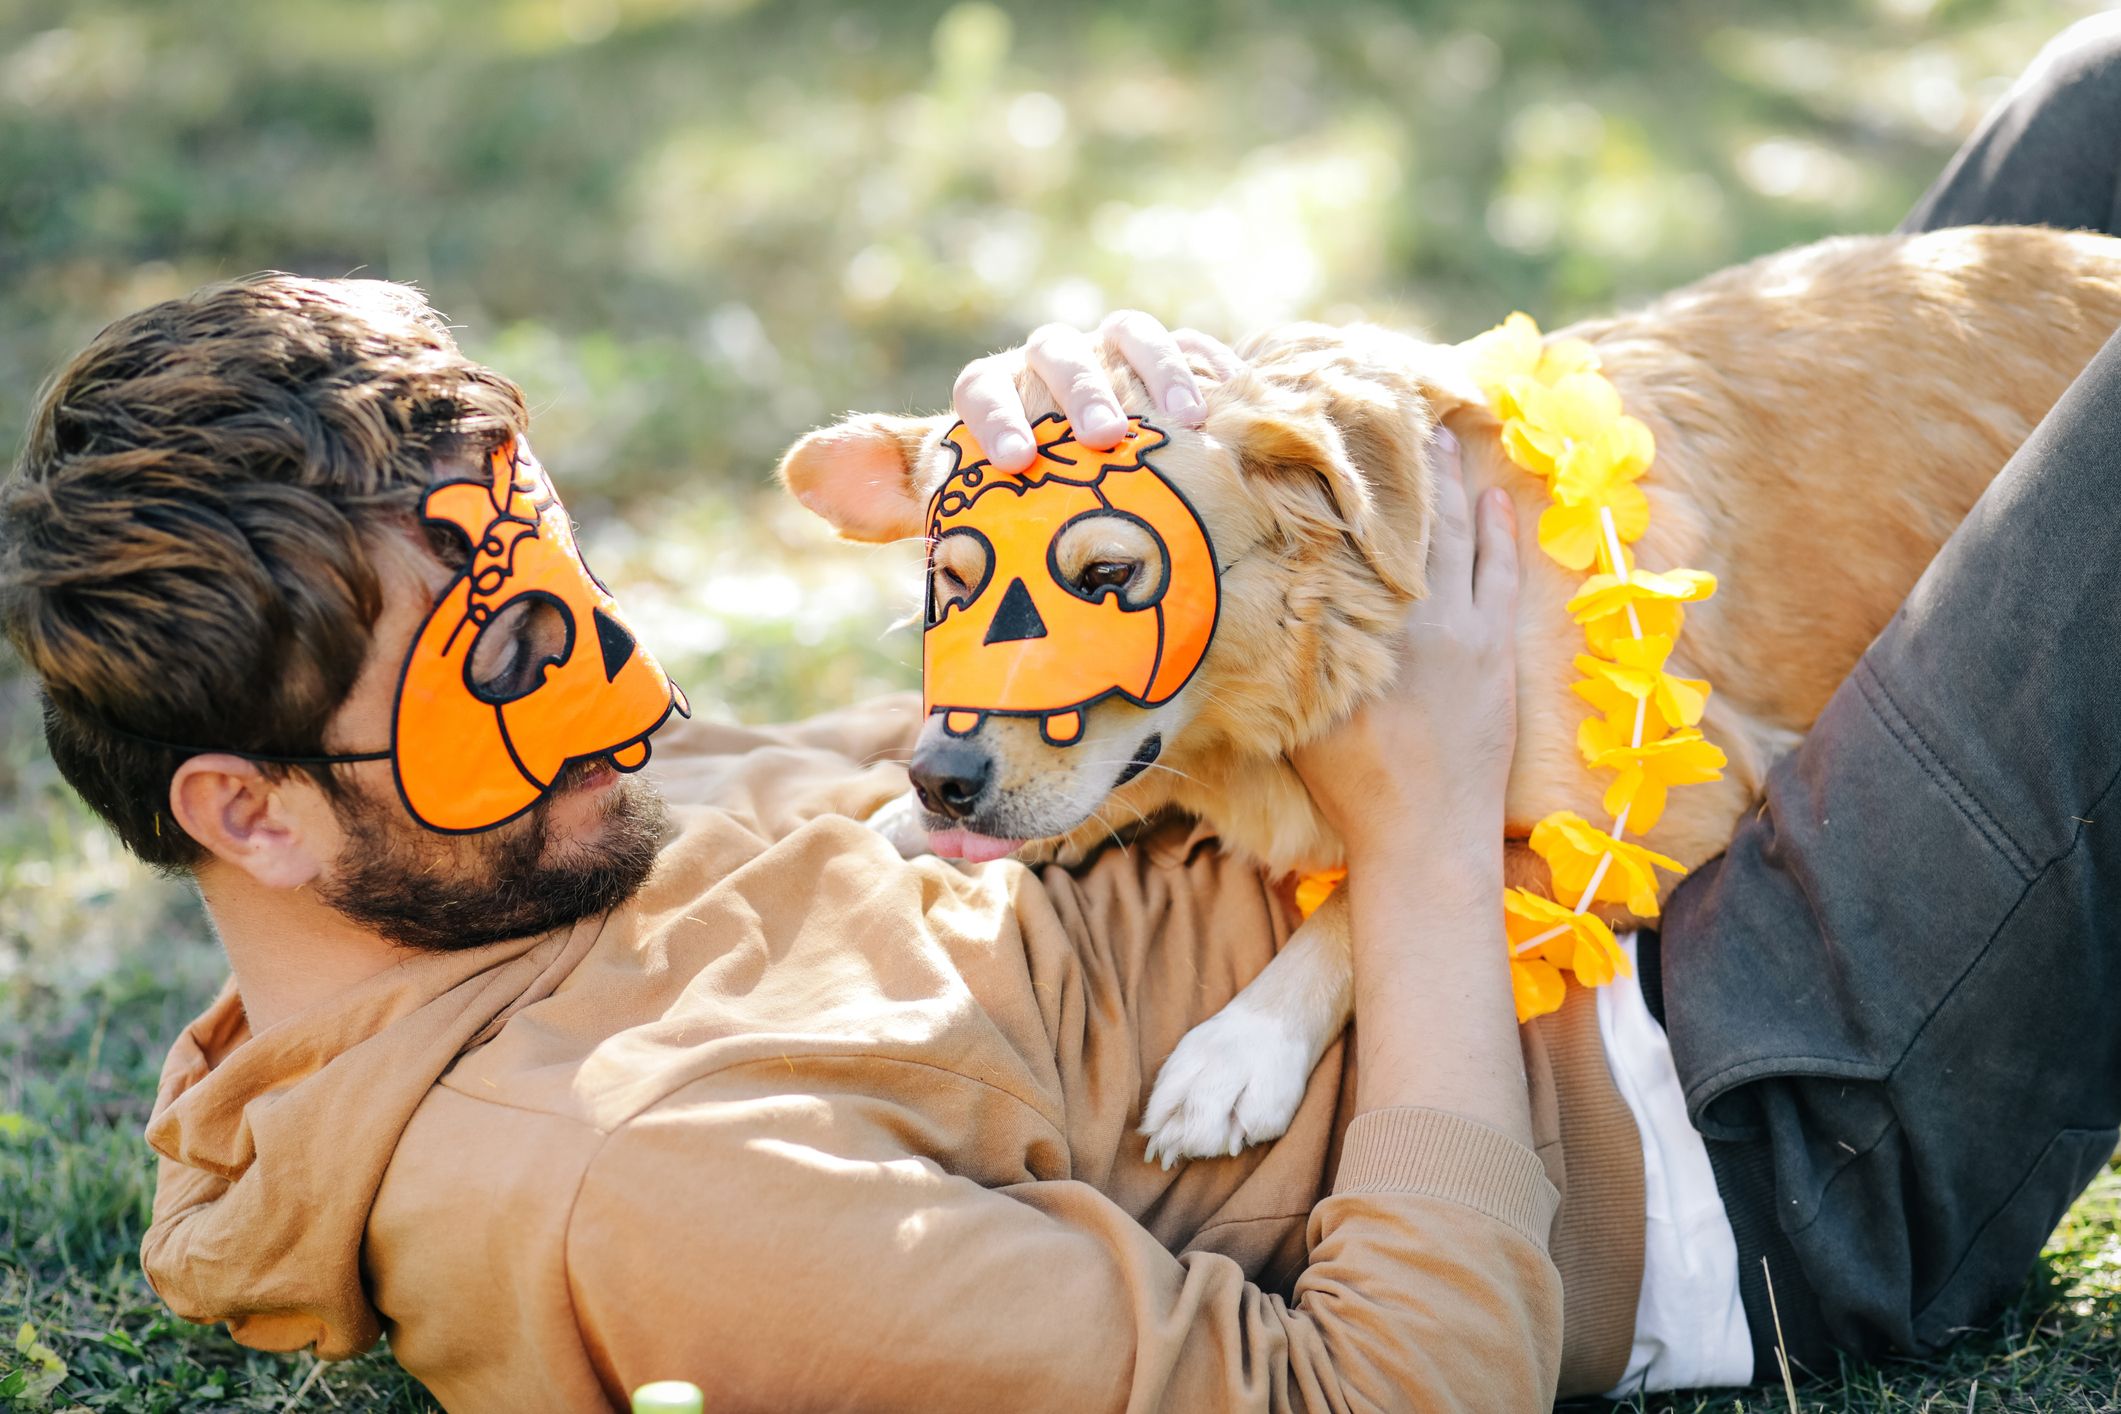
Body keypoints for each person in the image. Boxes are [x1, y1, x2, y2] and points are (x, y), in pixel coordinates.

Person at [1, 17, 2115, 1413]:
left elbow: (1062, 731)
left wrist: (1162, 469)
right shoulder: (641, 1185)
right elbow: (1382, 1390)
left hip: (1607, 762)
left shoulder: (530, 837)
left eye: (570, 585)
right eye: (515, 663)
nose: (628, 691)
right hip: (1728, 1099)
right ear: (251, 813)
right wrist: (1421, 807)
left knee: (2087, 103)